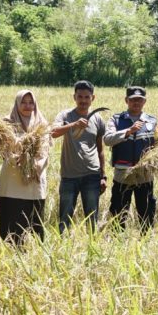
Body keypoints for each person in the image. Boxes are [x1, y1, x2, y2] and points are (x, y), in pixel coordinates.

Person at [52, 80, 107, 233]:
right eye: (80, 97)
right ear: (74, 97)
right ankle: (62, 243)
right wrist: (73, 124)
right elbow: (53, 133)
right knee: (65, 218)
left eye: (87, 97)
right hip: (69, 176)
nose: (83, 100)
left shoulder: (97, 119)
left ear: (93, 98)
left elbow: (100, 150)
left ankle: (92, 243)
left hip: (92, 175)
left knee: (92, 218)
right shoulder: (66, 115)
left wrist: (103, 176)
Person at [0, 90, 49, 243]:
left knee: (34, 222)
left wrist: (35, 166)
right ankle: (10, 250)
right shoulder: (7, 123)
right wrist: (20, 160)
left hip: (34, 179)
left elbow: (45, 150)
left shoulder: (41, 124)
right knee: (12, 223)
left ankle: (33, 251)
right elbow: (6, 149)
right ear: (17, 104)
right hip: (12, 180)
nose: (27, 106)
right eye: (23, 102)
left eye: (31, 102)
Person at [104, 86, 158, 230]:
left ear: (144, 101)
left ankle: (146, 238)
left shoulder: (151, 121)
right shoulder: (117, 119)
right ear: (126, 100)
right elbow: (107, 139)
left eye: (140, 100)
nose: (136, 102)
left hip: (145, 176)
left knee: (146, 212)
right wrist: (129, 131)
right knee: (118, 212)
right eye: (133, 99)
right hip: (123, 175)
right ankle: (117, 239)